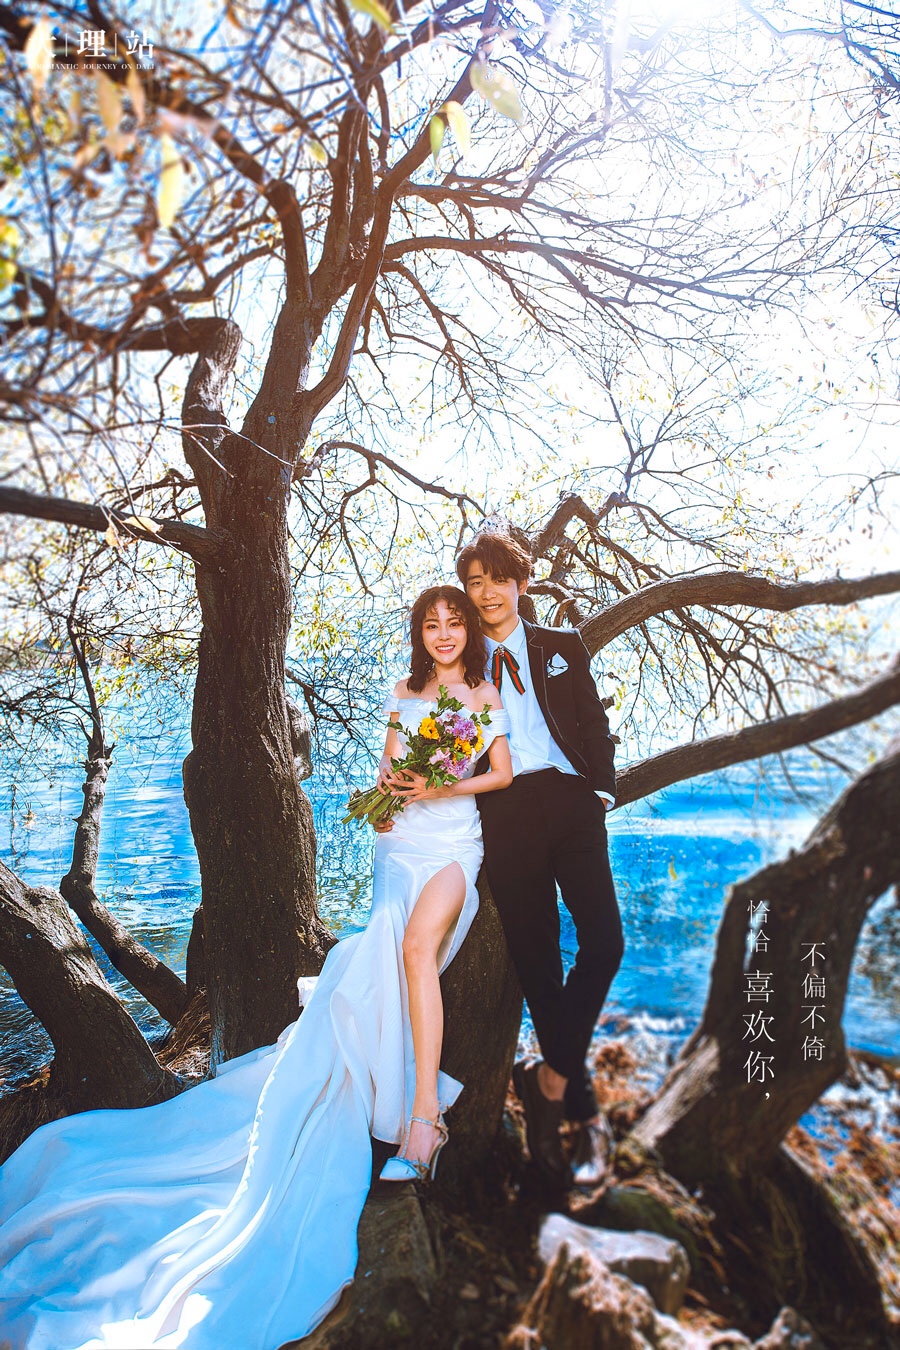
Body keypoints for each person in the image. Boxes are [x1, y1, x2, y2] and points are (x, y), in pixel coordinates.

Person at [0, 586, 511, 1350]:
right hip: (398, 847)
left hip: (453, 848)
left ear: (468, 629)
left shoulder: (483, 694)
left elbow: (500, 774)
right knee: (382, 954)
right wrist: (388, 794)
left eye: (454, 623)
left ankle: (422, 1124)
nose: (443, 634)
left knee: (413, 950)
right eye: (431, 624)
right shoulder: (403, 692)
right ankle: (393, 1090)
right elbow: (386, 774)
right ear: (421, 633)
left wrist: (441, 784)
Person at [456, 531, 623, 1187]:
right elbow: (442, 741)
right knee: (538, 963)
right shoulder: (460, 660)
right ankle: (573, 1107)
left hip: (572, 802)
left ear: (520, 584)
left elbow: (592, 722)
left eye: (498, 579)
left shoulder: (560, 646)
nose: (487, 593)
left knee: (605, 944)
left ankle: (549, 1081)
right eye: (475, 582)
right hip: (505, 811)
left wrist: (601, 790)